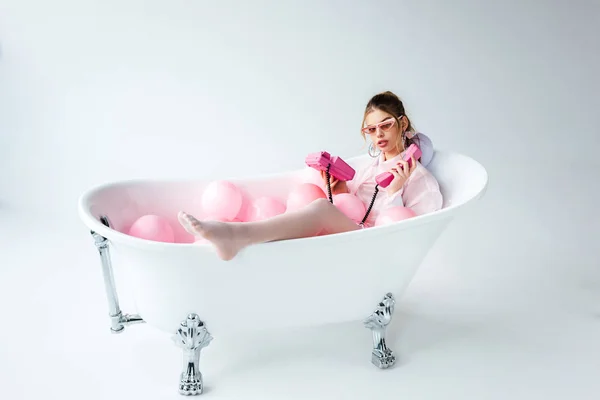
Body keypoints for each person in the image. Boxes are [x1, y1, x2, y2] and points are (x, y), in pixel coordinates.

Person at [178, 91, 443, 261]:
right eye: (371, 130)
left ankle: (237, 235)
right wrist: (337, 189)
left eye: (386, 125)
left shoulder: (420, 180)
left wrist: (395, 191)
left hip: (372, 247)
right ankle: (242, 241)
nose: (379, 135)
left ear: (403, 124)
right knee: (312, 194)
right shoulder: (367, 169)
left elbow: (411, 234)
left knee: (319, 209)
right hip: (351, 236)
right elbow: (354, 209)